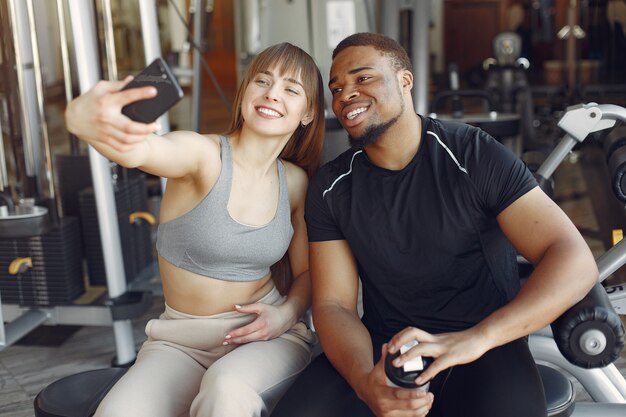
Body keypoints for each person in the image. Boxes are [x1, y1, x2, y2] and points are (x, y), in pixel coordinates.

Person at [272, 32, 598, 417]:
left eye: (362, 78)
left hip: (483, 349)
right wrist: (366, 381)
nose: (345, 94)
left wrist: (478, 339)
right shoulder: (331, 187)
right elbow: (333, 304)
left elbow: (574, 259)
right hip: (384, 348)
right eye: (337, 87)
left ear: (405, 81)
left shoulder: (473, 154)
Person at [64, 42, 325, 417]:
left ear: (308, 113)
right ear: (245, 92)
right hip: (179, 343)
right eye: (262, 81)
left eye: (291, 89)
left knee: (226, 391)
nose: (272, 94)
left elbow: (305, 273)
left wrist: (286, 315)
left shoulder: (296, 183)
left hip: (267, 337)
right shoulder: (201, 155)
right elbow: (141, 151)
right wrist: (79, 118)